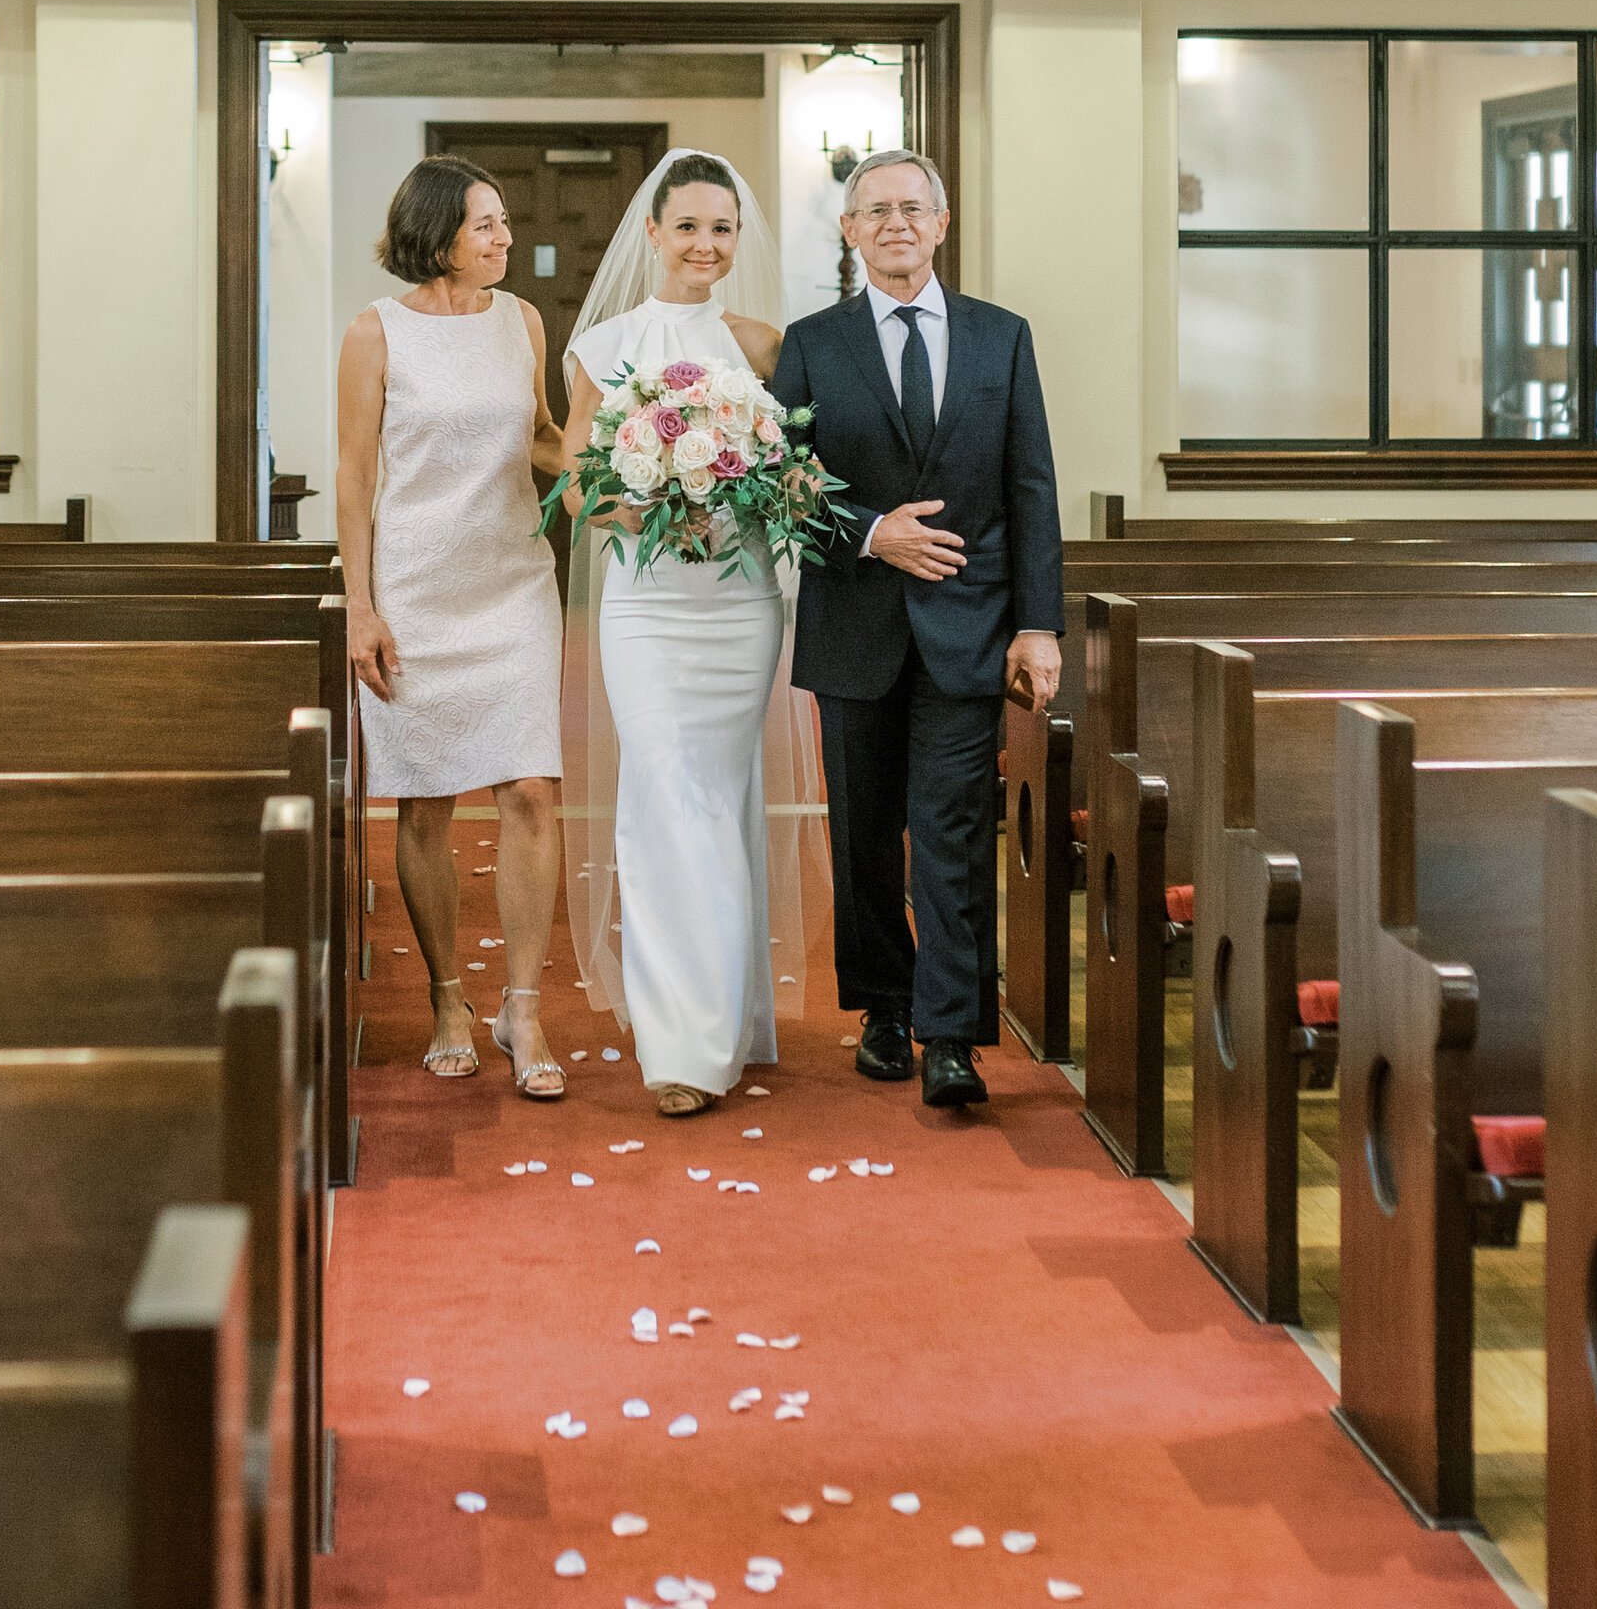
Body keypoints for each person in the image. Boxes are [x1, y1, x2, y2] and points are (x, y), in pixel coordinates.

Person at [771, 150, 1063, 1112]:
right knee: (864, 836)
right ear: (850, 233)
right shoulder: (811, 345)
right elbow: (782, 493)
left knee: (952, 829)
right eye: (874, 212)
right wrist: (871, 534)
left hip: (970, 627)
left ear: (942, 225)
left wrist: (1038, 625)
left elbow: (1031, 490)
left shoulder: (1001, 338)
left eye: (913, 209)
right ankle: (885, 1010)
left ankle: (952, 1035)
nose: (895, 224)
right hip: (855, 624)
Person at [560, 150, 825, 1117]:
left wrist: (753, 492)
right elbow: (582, 485)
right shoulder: (603, 347)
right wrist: (634, 503)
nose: (705, 245)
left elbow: (799, 477)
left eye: (722, 229)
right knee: (664, 787)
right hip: (646, 605)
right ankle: (681, 1045)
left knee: (719, 794)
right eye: (688, 227)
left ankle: (729, 1016)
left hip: (737, 602)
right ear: (653, 233)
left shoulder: (763, 347)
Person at [336, 155, 568, 1099]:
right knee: (426, 799)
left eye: (504, 221)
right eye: (487, 224)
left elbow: (546, 438)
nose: (505, 237)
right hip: (418, 586)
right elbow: (353, 474)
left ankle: (522, 1005)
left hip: (513, 581)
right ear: (436, 233)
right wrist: (362, 603)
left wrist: (641, 465)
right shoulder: (373, 332)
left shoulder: (521, 321)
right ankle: (446, 995)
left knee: (531, 790)